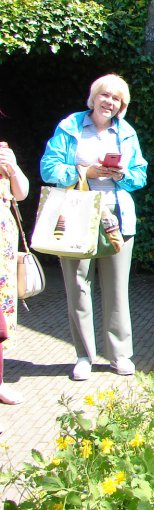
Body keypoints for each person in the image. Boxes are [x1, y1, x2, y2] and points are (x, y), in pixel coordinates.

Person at [41, 74, 148, 381]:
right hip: (76, 216)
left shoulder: (126, 133)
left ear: (121, 106)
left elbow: (140, 176)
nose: (109, 102)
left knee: (116, 291)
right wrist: (85, 171)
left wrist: (121, 174)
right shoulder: (69, 127)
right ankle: (83, 356)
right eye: (105, 95)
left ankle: (119, 355)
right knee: (77, 288)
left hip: (117, 219)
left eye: (116, 99)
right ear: (94, 97)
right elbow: (48, 167)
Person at [0, 139, 28, 406]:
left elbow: (21, 193)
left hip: (3, 247)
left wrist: (13, 167)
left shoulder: (3, 150)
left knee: (0, 316)